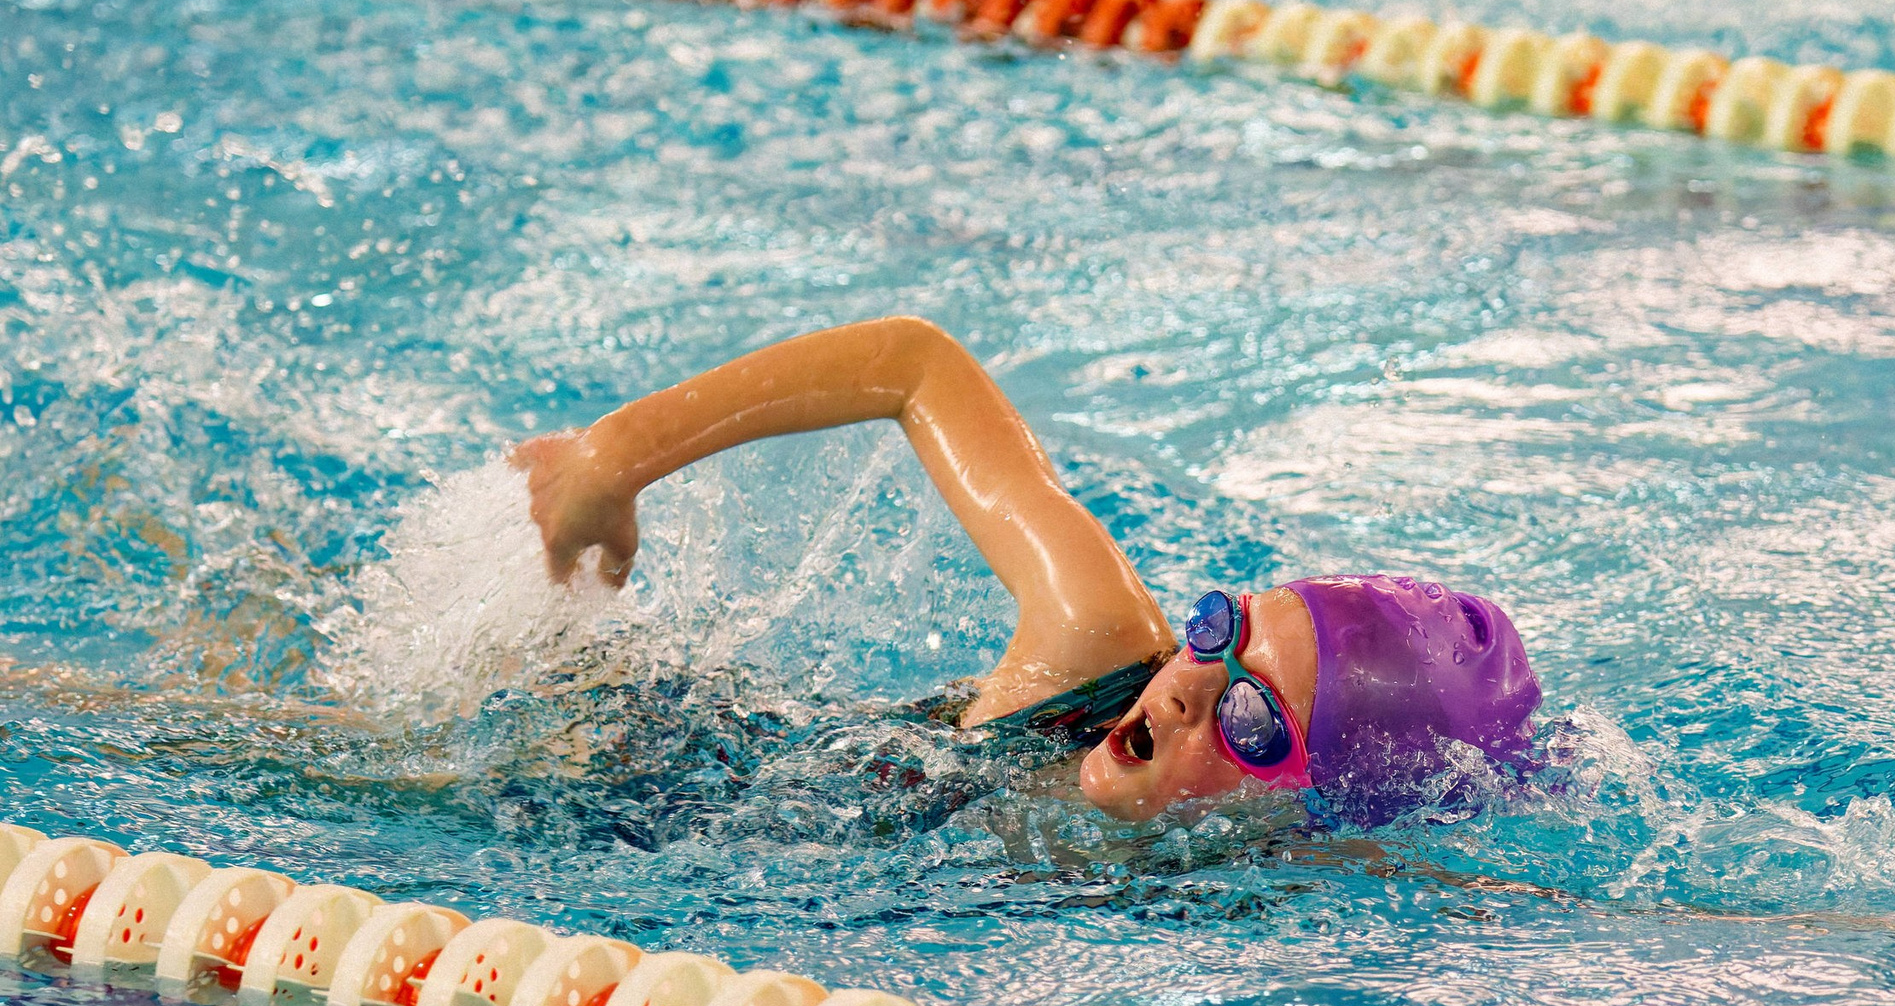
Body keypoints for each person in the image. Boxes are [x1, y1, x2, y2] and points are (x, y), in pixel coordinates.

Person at [510, 316, 1541, 828]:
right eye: (1220, 631)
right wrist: (612, 461)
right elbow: (914, 363)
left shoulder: (1286, 889)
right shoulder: (1089, 651)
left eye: (1253, 721)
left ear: (1307, 809)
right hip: (586, 753)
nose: (1185, 688)